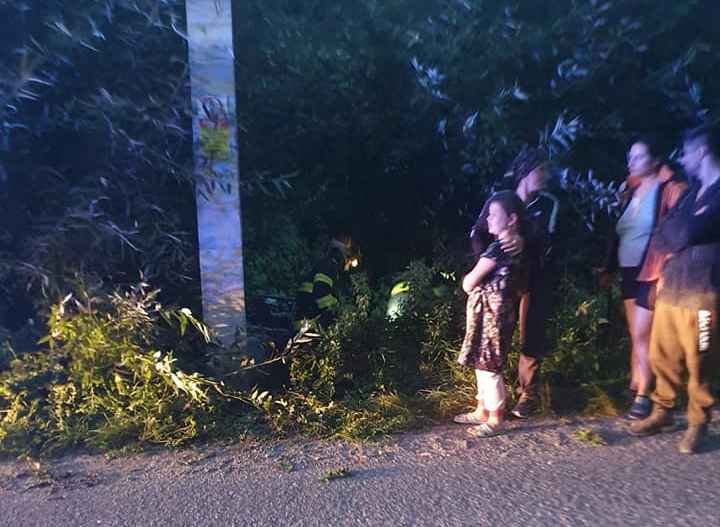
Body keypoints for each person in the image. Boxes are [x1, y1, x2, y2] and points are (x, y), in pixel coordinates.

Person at [629, 124, 720, 454]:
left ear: (702, 151)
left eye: (686, 152)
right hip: (674, 287)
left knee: (700, 359)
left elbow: (684, 234)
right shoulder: (692, 193)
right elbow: (662, 234)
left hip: (705, 291)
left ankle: (699, 422)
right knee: (661, 354)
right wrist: (682, 229)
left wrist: (682, 231)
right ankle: (663, 411)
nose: (682, 159)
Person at [598, 137, 687, 420]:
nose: (631, 162)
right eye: (630, 156)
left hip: (653, 270)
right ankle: (638, 384)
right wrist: (608, 267)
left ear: (655, 160)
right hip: (628, 269)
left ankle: (645, 394)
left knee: (644, 333)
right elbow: (618, 232)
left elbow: (676, 229)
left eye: (638, 156)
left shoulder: (668, 189)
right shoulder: (631, 189)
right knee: (636, 334)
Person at [454, 191, 527, 437]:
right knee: (483, 361)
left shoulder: (499, 248)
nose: (488, 219)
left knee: (489, 365)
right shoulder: (516, 246)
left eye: (494, 215)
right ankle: (482, 409)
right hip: (497, 314)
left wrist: (468, 283)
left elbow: (470, 281)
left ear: (512, 219)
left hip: (492, 316)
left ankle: (495, 417)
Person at [506, 147, 561, 419]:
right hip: (506, 278)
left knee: (531, 335)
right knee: (498, 333)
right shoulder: (505, 200)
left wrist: (523, 240)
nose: (547, 175)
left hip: (535, 277)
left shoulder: (548, 203)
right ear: (527, 171)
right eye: (542, 169)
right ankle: (494, 394)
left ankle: (527, 393)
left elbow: (547, 240)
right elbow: (483, 230)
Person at [294, 230, 357, 330]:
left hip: (307, 322)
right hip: (310, 324)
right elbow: (322, 292)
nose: (348, 263)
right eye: (347, 258)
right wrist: (337, 310)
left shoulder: (328, 265)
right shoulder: (328, 266)